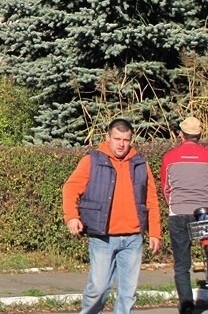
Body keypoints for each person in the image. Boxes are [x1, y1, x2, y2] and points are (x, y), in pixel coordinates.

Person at [62, 118, 161, 314]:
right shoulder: (92, 161)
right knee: (97, 290)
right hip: (102, 237)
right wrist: (71, 216)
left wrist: (155, 232)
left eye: (126, 139)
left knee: (128, 294)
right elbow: (70, 188)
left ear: (131, 139)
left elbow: (151, 199)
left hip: (133, 238)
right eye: (117, 139)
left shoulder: (140, 163)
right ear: (107, 137)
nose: (121, 144)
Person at [160, 116, 208, 314]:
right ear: (199, 135)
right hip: (203, 214)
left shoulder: (170, 157)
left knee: (182, 264)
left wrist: (174, 205)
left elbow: (165, 188)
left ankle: (187, 305)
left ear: (181, 135)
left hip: (178, 213)